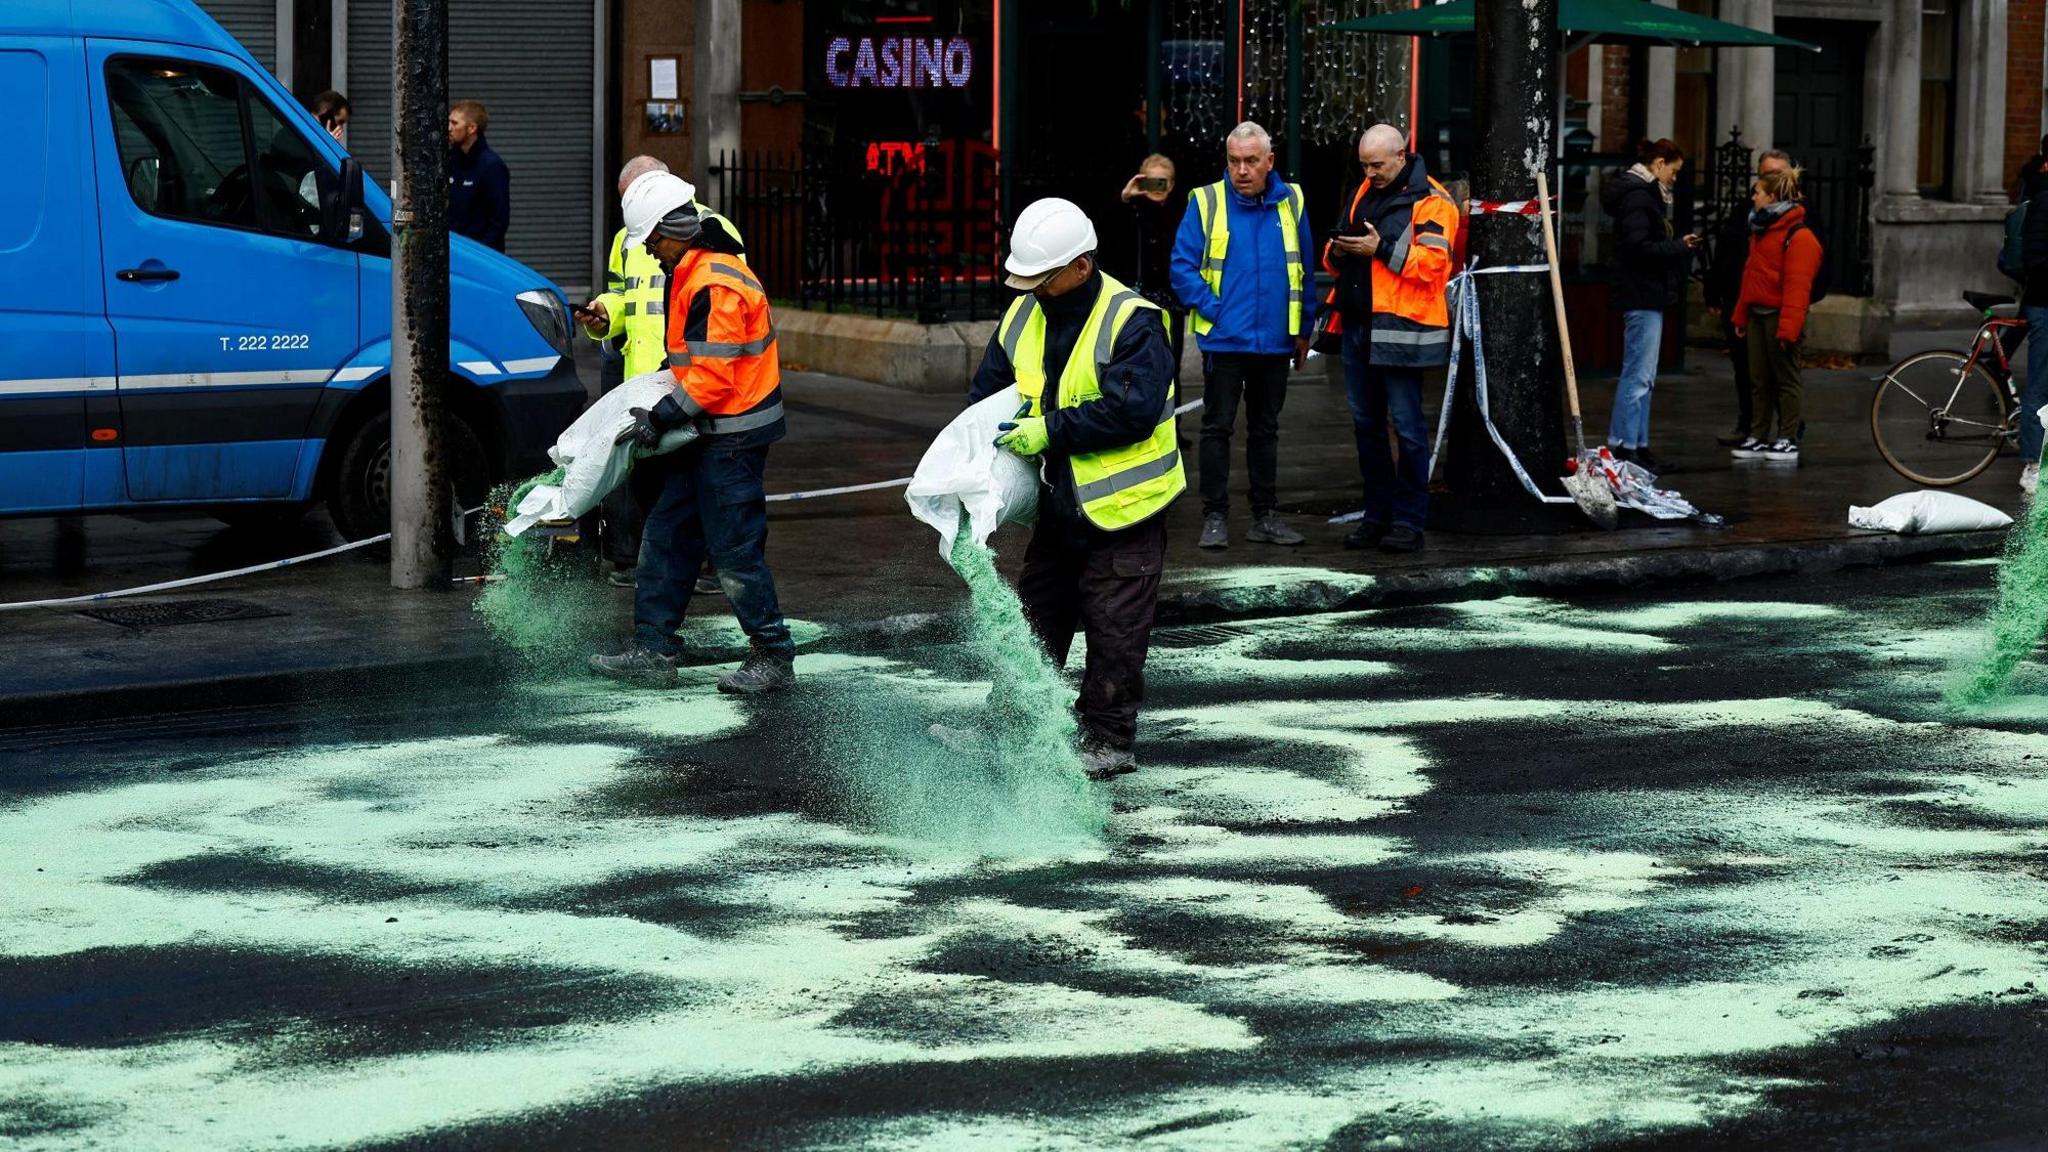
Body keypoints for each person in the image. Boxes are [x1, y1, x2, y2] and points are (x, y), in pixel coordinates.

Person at [968, 198, 1181, 779]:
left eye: (1043, 277)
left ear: (1081, 266)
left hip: (1125, 509)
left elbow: (1131, 412)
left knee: (1115, 629)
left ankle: (1107, 740)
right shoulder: (1024, 315)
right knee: (1036, 620)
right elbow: (985, 396)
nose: (1032, 288)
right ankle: (1010, 724)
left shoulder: (1134, 321)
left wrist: (1049, 431)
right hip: (1061, 506)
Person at [589, 172, 795, 694]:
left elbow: (710, 379)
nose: (652, 253)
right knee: (667, 535)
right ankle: (654, 646)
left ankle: (772, 653)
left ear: (673, 231)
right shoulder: (694, 268)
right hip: (712, 430)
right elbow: (690, 360)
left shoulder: (713, 280)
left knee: (733, 549)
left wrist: (658, 418)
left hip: (731, 437)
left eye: (653, 242)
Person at [577, 157, 747, 587]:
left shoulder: (714, 232)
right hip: (646, 377)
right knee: (654, 487)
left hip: (695, 381)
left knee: (700, 481)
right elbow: (622, 296)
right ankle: (648, 569)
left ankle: (705, 567)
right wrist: (604, 315)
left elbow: (728, 316)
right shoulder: (625, 240)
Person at [1169, 121, 1315, 550]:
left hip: (1274, 341)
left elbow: (1303, 270)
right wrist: (1217, 311)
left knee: (1265, 429)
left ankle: (1264, 516)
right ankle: (1214, 516)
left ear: (1270, 161)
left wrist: (1303, 330)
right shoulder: (1205, 200)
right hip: (1225, 342)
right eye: (1234, 161)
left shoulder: (1293, 201)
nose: (1242, 169)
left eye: (1252, 161)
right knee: (1217, 428)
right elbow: (1181, 267)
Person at [1321, 124, 1458, 553]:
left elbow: (1435, 264)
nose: (1370, 172)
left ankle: (1409, 521)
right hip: (1360, 324)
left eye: (1377, 164)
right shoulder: (1364, 189)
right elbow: (1338, 248)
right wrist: (1339, 250)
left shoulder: (1434, 200)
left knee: (1407, 428)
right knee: (1367, 427)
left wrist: (1378, 249)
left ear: (1401, 156)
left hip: (1402, 330)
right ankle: (1376, 516)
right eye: (1364, 164)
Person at [1603, 138, 1699, 474]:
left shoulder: (1638, 196)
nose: (1674, 178)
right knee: (1639, 375)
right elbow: (1638, 247)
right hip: (1642, 293)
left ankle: (1634, 444)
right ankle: (1626, 445)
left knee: (1643, 375)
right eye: (1673, 171)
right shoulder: (1641, 198)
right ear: (1659, 164)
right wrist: (1677, 247)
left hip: (1643, 292)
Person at [1731, 166, 1822, 464]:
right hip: (1758, 314)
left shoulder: (1799, 236)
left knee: (1785, 378)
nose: (1752, 197)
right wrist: (1741, 315)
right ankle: (1758, 435)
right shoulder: (1761, 229)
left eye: (1757, 192)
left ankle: (1787, 437)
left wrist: (1788, 330)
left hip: (1778, 315)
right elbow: (1750, 276)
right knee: (1758, 378)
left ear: (1771, 196)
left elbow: (1797, 288)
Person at [1707, 149, 1793, 446]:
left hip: (1777, 304)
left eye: (1777, 174)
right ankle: (1752, 426)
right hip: (1743, 298)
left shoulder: (1797, 216)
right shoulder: (1747, 210)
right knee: (1748, 370)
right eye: (1766, 174)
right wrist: (1715, 291)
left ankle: (1788, 430)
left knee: (1781, 371)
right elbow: (1728, 252)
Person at [1120, 154, 1187, 380]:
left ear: (1172, 184)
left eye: (1163, 182)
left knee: (1169, 368)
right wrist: (1127, 198)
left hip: (1171, 304)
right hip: (1137, 303)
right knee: (1136, 369)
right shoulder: (1132, 213)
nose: (1157, 188)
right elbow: (1110, 238)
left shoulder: (1181, 215)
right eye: (1152, 182)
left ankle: (1172, 415)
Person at [2015, 148, 2048, 494]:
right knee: (2039, 384)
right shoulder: (2044, 200)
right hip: (2045, 305)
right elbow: (2035, 258)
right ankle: (2032, 465)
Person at [447, 100, 509, 252]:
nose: (449, 128)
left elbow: (499, 221)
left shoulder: (491, 166)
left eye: (455, 123)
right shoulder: (448, 161)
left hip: (478, 258)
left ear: (472, 128)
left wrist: (479, 254)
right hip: (451, 254)